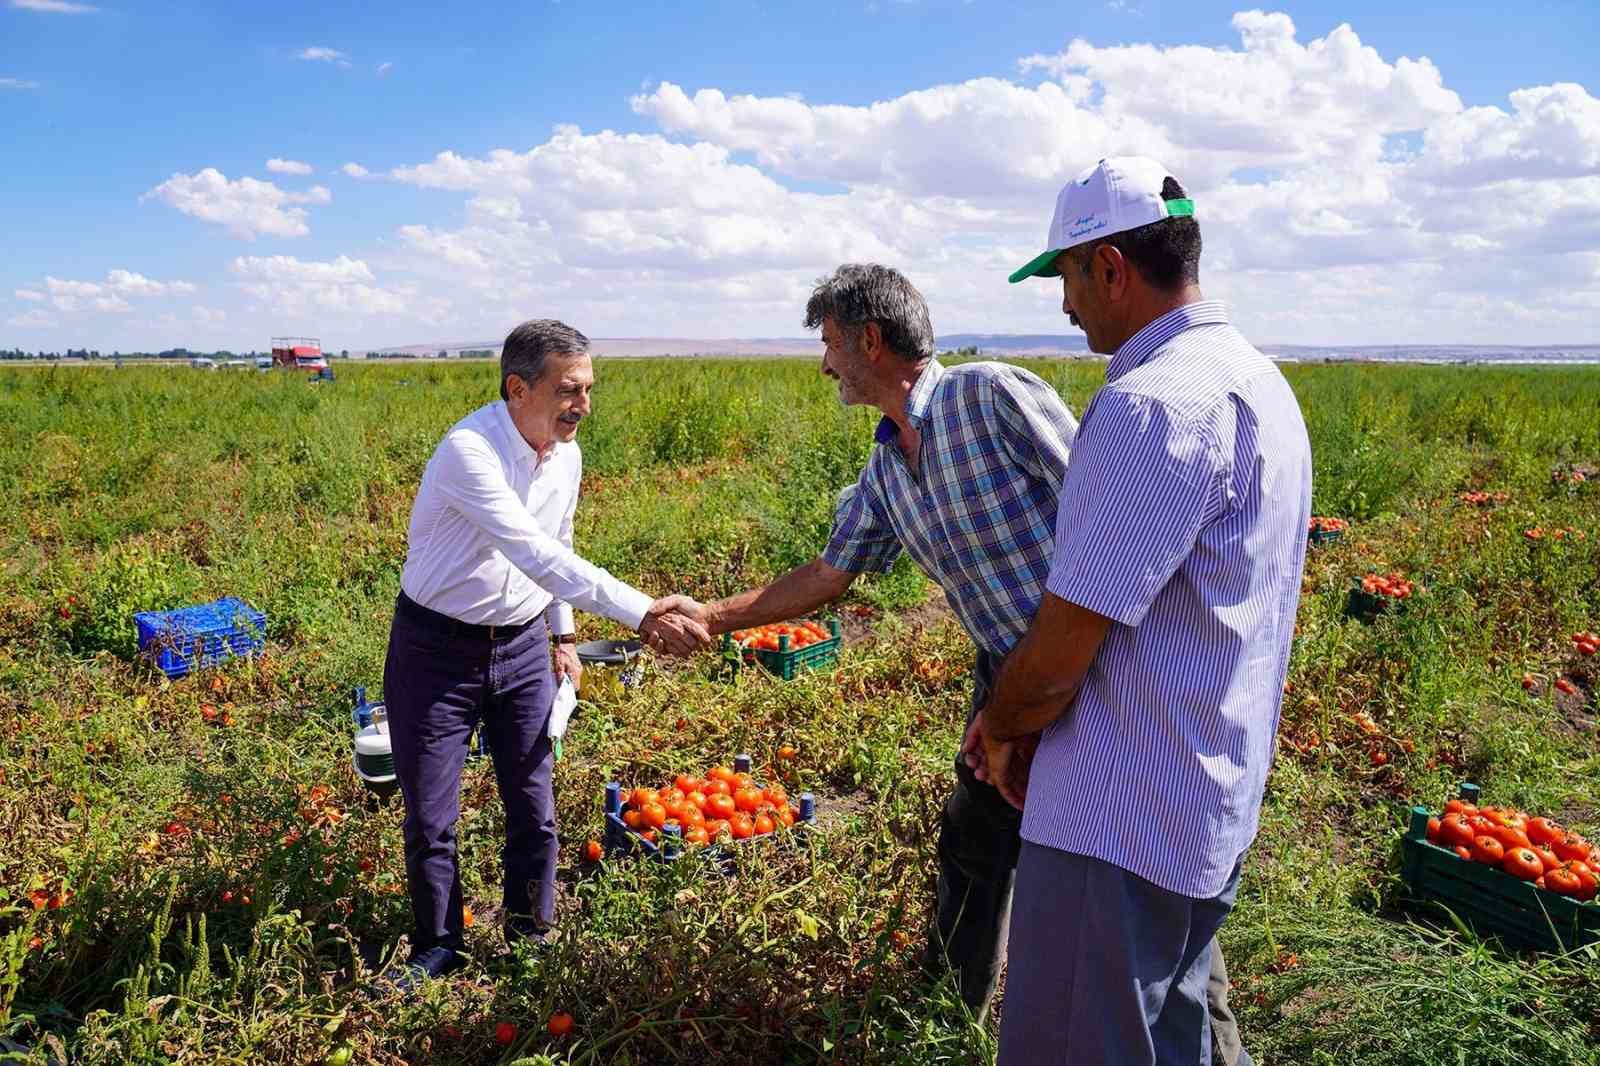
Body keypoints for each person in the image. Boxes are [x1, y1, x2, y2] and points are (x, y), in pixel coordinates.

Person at [673, 264, 1242, 1052]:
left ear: (871, 340)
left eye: (832, 343)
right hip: (1004, 677)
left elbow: (1105, 499)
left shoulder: (990, 394)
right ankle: (950, 1007)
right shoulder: (884, 470)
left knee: (1134, 873)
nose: (825, 363)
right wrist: (715, 614)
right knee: (975, 844)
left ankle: (1207, 1036)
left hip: (1097, 668)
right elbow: (829, 574)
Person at [964, 156, 1312, 1065]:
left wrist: (999, 725)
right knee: (1166, 1039)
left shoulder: (1153, 405)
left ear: (1110, 266)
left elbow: (1065, 643)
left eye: (1068, 278)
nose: (1066, 305)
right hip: (1204, 802)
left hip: (1115, 825)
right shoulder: (1258, 384)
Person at [380, 318, 709, 989]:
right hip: (436, 651)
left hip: (525, 644)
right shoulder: (469, 451)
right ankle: (439, 946)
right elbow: (533, 551)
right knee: (433, 817)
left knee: (534, 804)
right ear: (517, 389)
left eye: (588, 389)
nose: (583, 404)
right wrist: (643, 611)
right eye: (568, 390)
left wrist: (562, 635)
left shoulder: (568, 456)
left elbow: (557, 545)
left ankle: (532, 931)